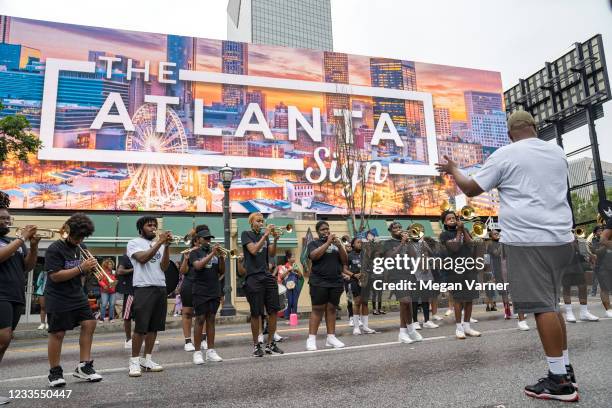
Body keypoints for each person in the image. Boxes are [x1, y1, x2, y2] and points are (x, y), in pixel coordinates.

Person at [436, 110, 578, 401]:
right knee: (553, 303)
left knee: (543, 307)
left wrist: (453, 170)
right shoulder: (557, 152)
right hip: (563, 239)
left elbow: (472, 188)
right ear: (535, 128)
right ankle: (565, 368)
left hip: (530, 241)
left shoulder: (506, 154)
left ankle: (559, 381)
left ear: (510, 134)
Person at [44, 213, 102, 387]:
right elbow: (55, 276)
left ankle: (84, 367)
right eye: (77, 236)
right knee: (58, 333)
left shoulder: (81, 246)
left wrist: (90, 269)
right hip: (57, 295)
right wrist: (81, 268)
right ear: (67, 231)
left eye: (83, 237)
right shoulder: (55, 248)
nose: (80, 240)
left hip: (77, 293)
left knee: (90, 323)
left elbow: (82, 272)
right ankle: (55, 373)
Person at [0, 192, 40, 403]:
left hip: (15, 295)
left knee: (4, 342)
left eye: (8, 219)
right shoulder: (14, 241)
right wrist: (22, 237)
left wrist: (33, 246)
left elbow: (28, 266)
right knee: (3, 337)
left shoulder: (14, 241)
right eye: (3, 219)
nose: (7, 221)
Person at [127, 216, 171, 377]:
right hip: (143, 288)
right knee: (140, 327)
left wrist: (166, 247)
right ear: (141, 228)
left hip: (160, 286)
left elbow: (164, 266)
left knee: (154, 327)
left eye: (154, 225)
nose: (153, 227)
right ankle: (134, 361)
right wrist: (159, 242)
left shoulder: (159, 244)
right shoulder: (134, 243)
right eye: (149, 225)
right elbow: (143, 259)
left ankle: (147, 360)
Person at [241, 212, 283, 357]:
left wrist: (275, 240)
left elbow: (271, 253)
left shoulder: (265, 236)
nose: (261, 223)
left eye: (262, 221)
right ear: (251, 222)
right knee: (256, 313)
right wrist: (265, 235)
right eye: (258, 221)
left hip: (266, 275)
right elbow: (253, 250)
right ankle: (256, 345)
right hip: (253, 276)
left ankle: (270, 344)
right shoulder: (246, 234)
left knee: (273, 310)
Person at [305, 221, 348, 351]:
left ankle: (331, 337)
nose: (326, 231)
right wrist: (328, 243)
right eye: (323, 229)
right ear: (318, 231)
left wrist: (340, 246)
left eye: (327, 229)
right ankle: (311, 339)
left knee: (332, 309)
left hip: (335, 281)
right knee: (317, 309)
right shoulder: (313, 243)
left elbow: (345, 261)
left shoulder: (336, 244)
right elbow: (314, 256)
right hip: (319, 281)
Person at [439, 212, 481, 340]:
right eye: (449, 219)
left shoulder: (464, 230)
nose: (452, 220)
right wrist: (459, 231)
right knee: (458, 299)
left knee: (469, 298)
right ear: (445, 222)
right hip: (455, 270)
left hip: (468, 268)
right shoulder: (444, 235)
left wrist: (463, 230)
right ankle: (459, 328)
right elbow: (455, 247)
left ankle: (467, 326)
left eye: (454, 218)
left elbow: (471, 245)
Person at [383, 222, 423, 344]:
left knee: (408, 304)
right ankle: (407, 331)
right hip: (395, 275)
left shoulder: (407, 242)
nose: (399, 229)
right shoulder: (387, 243)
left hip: (409, 274)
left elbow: (413, 256)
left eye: (400, 227)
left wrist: (409, 243)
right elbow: (390, 257)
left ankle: (406, 331)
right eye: (395, 228)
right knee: (405, 301)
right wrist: (402, 243)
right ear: (390, 230)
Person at [189, 229, 224, 364]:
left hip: (214, 290)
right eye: (205, 239)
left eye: (209, 238)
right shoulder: (194, 252)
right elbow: (198, 266)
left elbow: (221, 271)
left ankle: (211, 351)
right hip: (200, 290)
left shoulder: (214, 253)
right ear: (198, 240)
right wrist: (212, 254)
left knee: (211, 319)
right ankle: (197, 352)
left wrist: (220, 257)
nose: (208, 241)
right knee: (200, 319)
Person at [346, 237, 376, 335]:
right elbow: (344, 269)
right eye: (358, 242)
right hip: (355, 281)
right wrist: (354, 275)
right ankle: (356, 327)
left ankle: (366, 327)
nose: (361, 244)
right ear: (353, 244)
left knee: (365, 303)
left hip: (366, 281)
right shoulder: (349, 256)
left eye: (361, 242)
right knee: (357, 302)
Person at [591, 225, 612, 317]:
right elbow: (596, 252)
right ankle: (608, 310)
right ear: (595, 233)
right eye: (599, 231)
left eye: (602, 230)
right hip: (602, 267)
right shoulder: (594, 241)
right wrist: (606, 245)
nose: (601, 232)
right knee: (604, 289)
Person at [116, 254, 135, 349]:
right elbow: (120, 271)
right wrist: (134, 269)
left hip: (140, 289)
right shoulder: (126, 257)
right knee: (127, 315)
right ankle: (128, 340)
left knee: (142, 315)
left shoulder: (140, 257)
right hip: (130, 291)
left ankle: (142, 337)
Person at [279, 251, 302, 323]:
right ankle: (287, 318)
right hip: (287, 288)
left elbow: (300, 277)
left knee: (294, 302)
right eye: (292, 257)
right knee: (288, 302)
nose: (294, 258)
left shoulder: (296, 266)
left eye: (294, 256)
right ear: (288, 259)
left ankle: (294, 318)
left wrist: (298, 271)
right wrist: (288, 271)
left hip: (295, 287)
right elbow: (281, 277)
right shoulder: (283, 267)